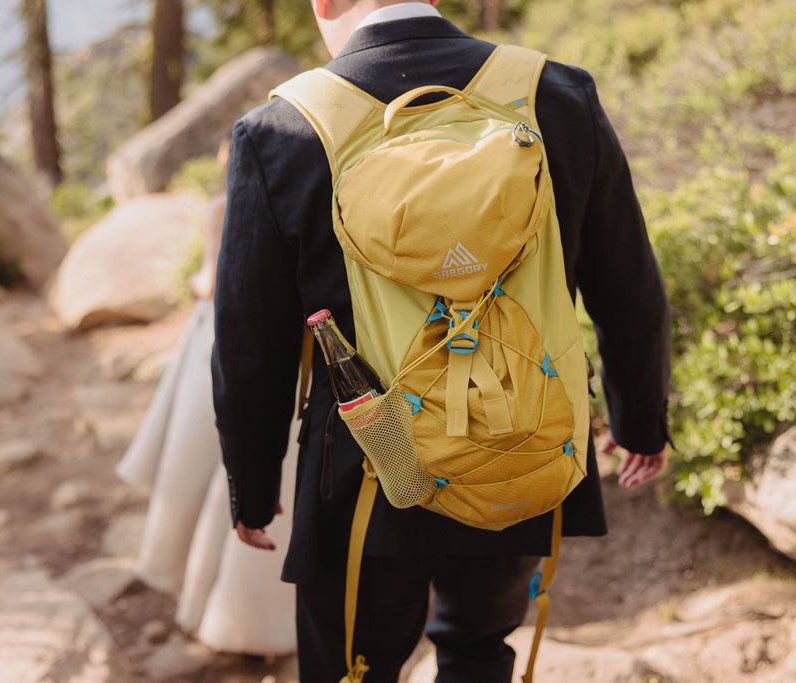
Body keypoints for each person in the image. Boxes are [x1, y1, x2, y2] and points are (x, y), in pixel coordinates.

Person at [212, 1, 672, 680]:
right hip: (521, 443)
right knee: (479, 651)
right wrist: (640, 421)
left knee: (352, 669)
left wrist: (251, 483)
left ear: (324, 3)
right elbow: (627, 281)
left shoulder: (281, 130)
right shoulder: (555, 93)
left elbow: (250, 343)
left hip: (364, 469)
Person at [117, 149, 298, 656]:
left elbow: (213, 280)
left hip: (226, 343)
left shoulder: (224, 205)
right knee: (252, 481)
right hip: (288, 354)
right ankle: (253, 621)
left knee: (212, 471)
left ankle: (206, 605)